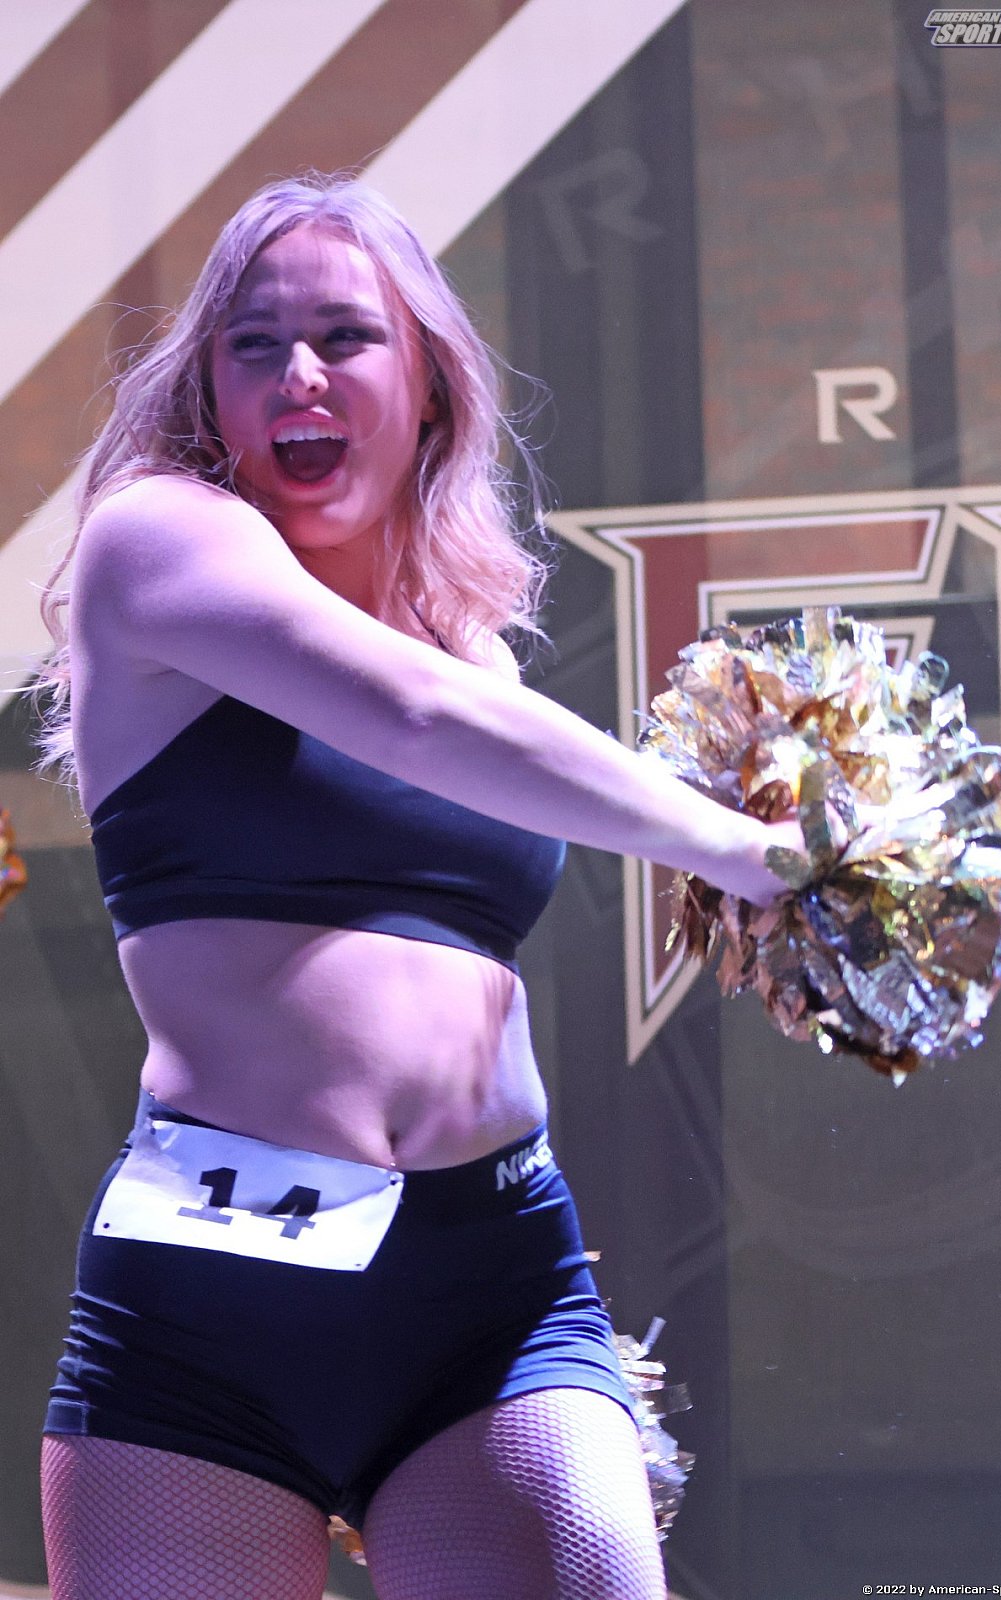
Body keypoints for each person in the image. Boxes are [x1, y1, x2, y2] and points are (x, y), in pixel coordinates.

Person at [36, 173, 804, 1600]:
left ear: (431, 384)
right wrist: (740, 849)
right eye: (254, 345)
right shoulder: (156, 540)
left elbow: (456, 708)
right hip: (212, 1308)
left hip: (493, 1287)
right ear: (210, 390)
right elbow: (412, 721)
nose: (299, 374)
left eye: (345, 337)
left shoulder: (478, 648)